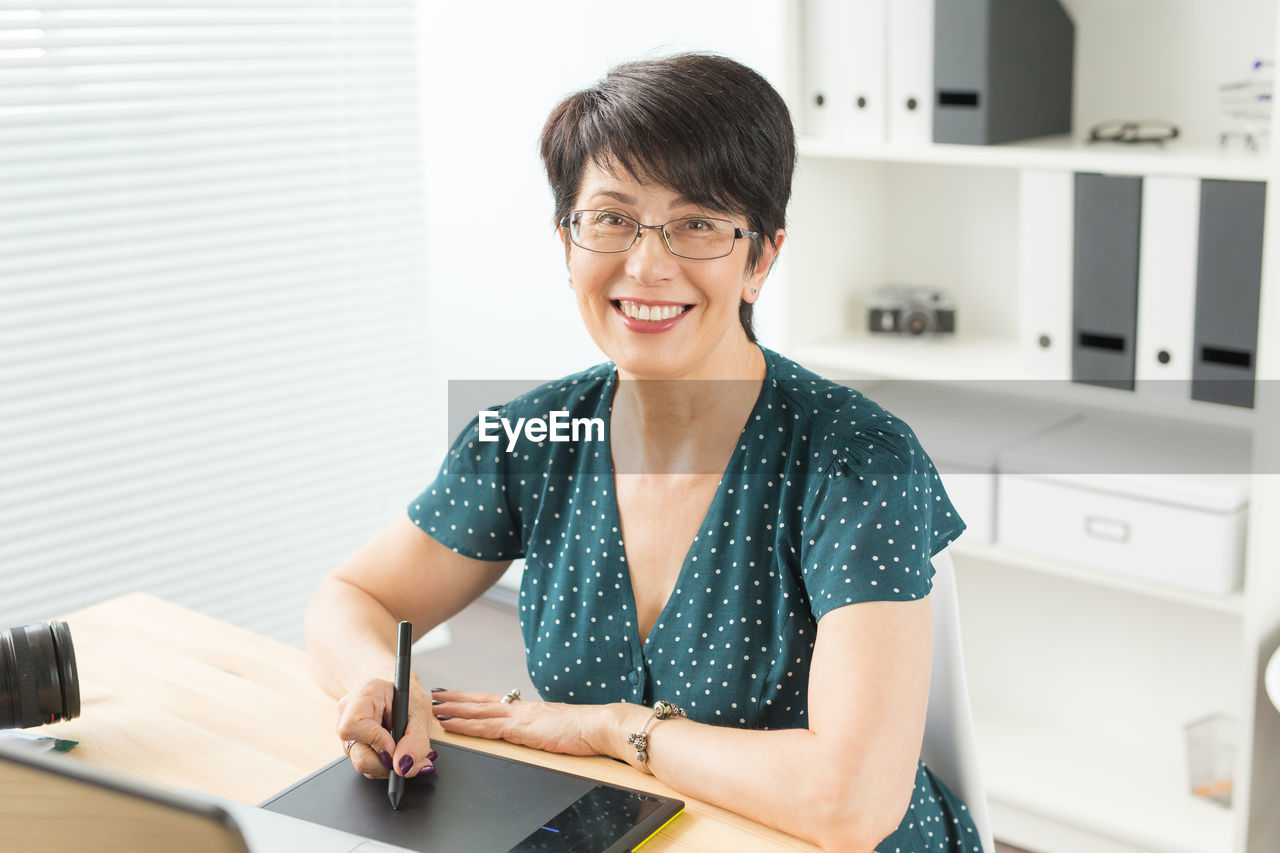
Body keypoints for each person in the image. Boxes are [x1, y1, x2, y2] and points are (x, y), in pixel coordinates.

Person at [305, 52, 981, 853]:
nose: (646, 263)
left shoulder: (856, 459)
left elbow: (852, 802)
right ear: (567, 242)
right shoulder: (536, 434)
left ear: (759, 258)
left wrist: (614, 727)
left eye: (697, 223)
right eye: (612, 218)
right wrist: (382, 682)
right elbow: (353, 596)